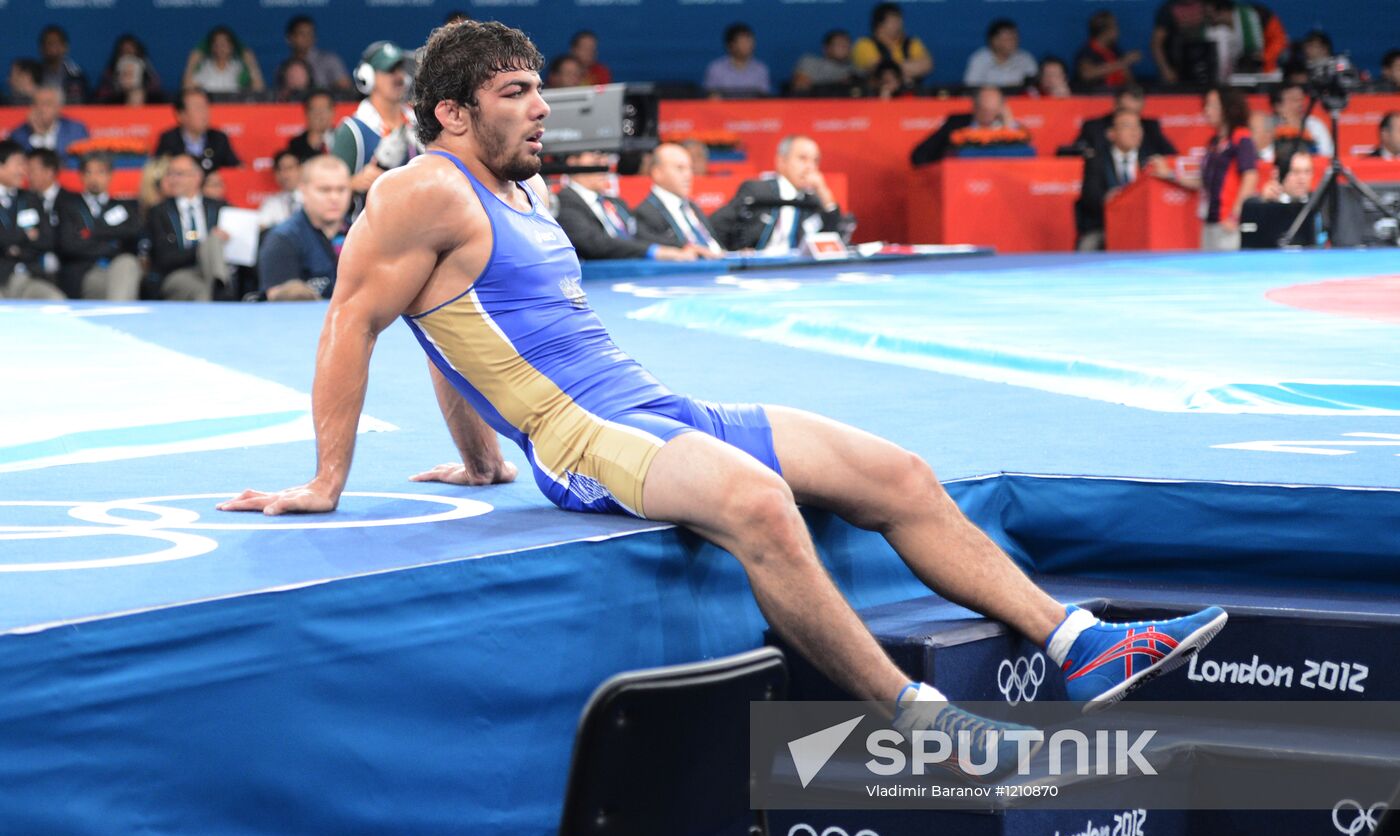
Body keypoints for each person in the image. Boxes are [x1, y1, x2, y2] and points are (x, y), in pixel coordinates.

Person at [220, 20, 1229, 760]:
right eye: (519, 92)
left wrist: (481, 456)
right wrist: (325, 481)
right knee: (758, 503)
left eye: (538, 89)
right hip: (583, 440)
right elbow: (357, 317)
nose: (544, 107)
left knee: (899, 473)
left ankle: (1077, 642)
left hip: (655, 408)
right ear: (451, 111)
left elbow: (448, 323)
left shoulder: (520, 191)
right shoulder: (419, 188)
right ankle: (928, 728)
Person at [710, 134, 853, 251]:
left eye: (815, 161)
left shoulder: (812, 201)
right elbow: (713, 227)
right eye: (802, 158)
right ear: (781, 161)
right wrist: (731, 253)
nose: (810, 167)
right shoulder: (758, 191)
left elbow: (833, 240)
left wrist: (824, 193)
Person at [554, 151, 698, 261]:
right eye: (596, 159)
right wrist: (654, 251)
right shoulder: (564, 202)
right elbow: (594, 243)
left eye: (606, 160)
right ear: (573, 162)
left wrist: (682, 247)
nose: (604, 166)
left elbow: (640, 234)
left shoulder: (615, 202)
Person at [331, 41, 421, 200]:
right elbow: (329, 188)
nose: (399, 77)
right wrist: (353, 184)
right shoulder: (352, 130)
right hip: (368, 222)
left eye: (400, 69)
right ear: (367, 77)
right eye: (390, 71)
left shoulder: (418, 121)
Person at [1174, 87, 1259, 251]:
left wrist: (1235, 216)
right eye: (1206, 105)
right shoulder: (1213, 142)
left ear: (1228, 108)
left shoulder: (1241, 138)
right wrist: (1170, 175)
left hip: (1228, 223)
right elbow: (1203, 182)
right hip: (1209, 221)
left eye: (1212, 105)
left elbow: (1250, 176)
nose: (1207, 111)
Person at [1075, 109, 1173, 250]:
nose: (1134, 132)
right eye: (1127, 126)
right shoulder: (1096, 161)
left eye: (1137, 126)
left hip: (1143, 227)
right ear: (1111, 134)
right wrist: (1109, 199)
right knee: (1088, 245)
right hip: (1105, 226)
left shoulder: (1151, 161)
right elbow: (1090, 197)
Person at [257, 155, 351, 301]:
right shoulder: (282, 240)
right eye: (324, 190)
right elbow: (278, 306)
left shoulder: (362, 235)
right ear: (303, 190)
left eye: (341, 189)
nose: (334, 197)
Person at [55, 154, 143, 301]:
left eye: (100, 172)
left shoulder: (125, 206)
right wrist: (113, 241)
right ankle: (121, 319)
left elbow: (133, 236)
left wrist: (91, 234)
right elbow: (69, 246)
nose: (94, 178)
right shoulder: (69, 206)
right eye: (89, 172)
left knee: (127, 263)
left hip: (117, 268)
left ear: (110, 175)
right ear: (81, 176)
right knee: (119, 285)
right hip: (84, 273)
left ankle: (118, 316)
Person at [145, 153, 232, 300]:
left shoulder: (219, 207)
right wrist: (201, 250)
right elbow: (163, 258)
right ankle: (221, 288)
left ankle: (219, 283)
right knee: (200, 288)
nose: (172, 179)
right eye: (170, 174)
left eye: (179, 174)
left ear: (197, 177)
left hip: (213, 268)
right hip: (178, 273)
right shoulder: (159, 212)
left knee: (215, 241)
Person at [633, 142, 724, 256]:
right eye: (680, 168)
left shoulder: (692, 207)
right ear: (657, 173)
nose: (688, 175)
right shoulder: (646, 213)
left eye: (690, 168)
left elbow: (713, 243)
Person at [0, 140, 64, 299]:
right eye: (18, 165)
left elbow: (47, 239)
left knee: (56, 301)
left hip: (29, 277)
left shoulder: (31, 198)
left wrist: (13, 247)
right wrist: (25, 235)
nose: (24, 171)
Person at [910, 85, 1017, 165]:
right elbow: (920, 155)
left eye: (991, 110)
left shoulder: (1010, 128)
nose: (987, 115)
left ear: (1001, 109)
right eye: (983, 109)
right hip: (959, 183)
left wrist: (1009, 126)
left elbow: (1023, 159)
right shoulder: (955, 125)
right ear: (974, 106)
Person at [1073, 84, 1178, 159]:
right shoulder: (1093, 127)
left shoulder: (1150, 127)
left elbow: (1171, 156)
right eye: (1125, 110)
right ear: (1115, 106)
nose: (1129, 117)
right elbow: (1073, 156)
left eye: (1135, 113)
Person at [154, 88, 242, 174]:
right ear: (180, 115)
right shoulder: (169, 139)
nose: (204, 113)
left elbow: (236, 170)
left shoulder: (219, 139)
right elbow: (157, 171)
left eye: (205, 107)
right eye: (197, 108)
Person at [851, 3, 933, 92]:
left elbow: (927, 65)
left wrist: (893, 69)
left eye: (900, 20)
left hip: (910, 96)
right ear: (879, 25)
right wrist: (908, 70)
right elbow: (879, 71)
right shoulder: (864, 44)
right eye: (894, 21)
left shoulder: (911, 43)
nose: (899, 24)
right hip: (873, 99)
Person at [1202, 0, 1288, 81]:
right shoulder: (1214, 31)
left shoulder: (1259, 15)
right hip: (1230, 76)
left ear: (1223, 12)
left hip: (1263, 68)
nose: (1211, 19)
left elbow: (1279, 40)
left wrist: (1264, 57)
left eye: (1212, 15)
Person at [183, 26, 265, 97]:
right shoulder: (204, 68)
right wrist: (191, 62)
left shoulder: (240, 69)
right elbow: (187, 90)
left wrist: (252, 63)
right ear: (212, 48)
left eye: (224, 44)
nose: (220, 48)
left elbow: (259, 90)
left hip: (234, 111)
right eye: (217, 44)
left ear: (231, 47)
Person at [8, 86, 89, 156]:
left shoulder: (76, 131)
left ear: (59, 107)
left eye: (47, 104)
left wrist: (43, 137)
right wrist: (38, 135)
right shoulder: (18, 135)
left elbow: (78, 163)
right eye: (36, 104)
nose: (41, 109)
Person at [281, 16, 352, 94]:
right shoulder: (284, 67)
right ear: (290, 38)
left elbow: (345, 88)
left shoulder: (330, 60)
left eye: (310, 34)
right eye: (301, 34)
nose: (307, 38)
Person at [1074, 11, 1141, 92]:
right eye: (1115, 27)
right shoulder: (1087, 51)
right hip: (1097, 95)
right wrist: (1123, 62)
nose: (1117, 31)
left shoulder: (1115, 50)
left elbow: (1127, 76)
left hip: (1119, 93)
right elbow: (1087, 74)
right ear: (1106, 31)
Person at [963, 19, 1037, 88]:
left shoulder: (1025, 59)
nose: (1013, 42)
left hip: (1019, 101)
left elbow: (1034, 87)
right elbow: (971, 87)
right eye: (1008, 39)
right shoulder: (979, 59)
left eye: (1015, 38)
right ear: (994, 41)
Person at [703, 23, 772, 98]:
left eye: (750, 41)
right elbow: (710, 96)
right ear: (730, 46)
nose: (749, 46)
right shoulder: (716, 69)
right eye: (743, 42)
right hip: (723, 109)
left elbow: (764, 98)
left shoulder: (761, 69)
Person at [93, 35, 164, 105]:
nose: (124, 78)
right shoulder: (109, 103)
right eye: (121, 73)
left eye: (129, 73)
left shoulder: (159, 102)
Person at [1270, 83, 1333, 159]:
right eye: (1294, 99)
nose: (1300, 104)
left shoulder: (1314, 124)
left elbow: (1327, 155)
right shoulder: (1268, 125)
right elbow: (1266, 157)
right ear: (1278, 106)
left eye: (1301, 99)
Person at [791, 30, 860, 96]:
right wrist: (837, 84)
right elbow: (800, 86)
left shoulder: (855, 68)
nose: (844, 47)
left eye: (847, 44)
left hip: (846, 106)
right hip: (815, 104)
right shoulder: (810, 62)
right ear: (826, 48)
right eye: (840, 44)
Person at [37, 25, 87, 103]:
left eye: (57, 43)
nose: (53, 48)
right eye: (49, 43)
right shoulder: (33, 74)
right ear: (41, 48)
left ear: (65, 47)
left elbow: (82, 102)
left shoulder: (76, 74)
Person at [286, 90, 337, 162]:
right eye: (315, 110)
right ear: (306, 113)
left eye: (324, 109)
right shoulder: (296, 144)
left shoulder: (342, 139)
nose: (319, 114)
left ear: (333, 112)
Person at [259, 151, 303, 229]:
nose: (284, 174)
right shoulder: (271, 203)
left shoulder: (313, 199)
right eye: (279, 170)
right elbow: (262, 227)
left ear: (301, 170)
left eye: (289, 168)